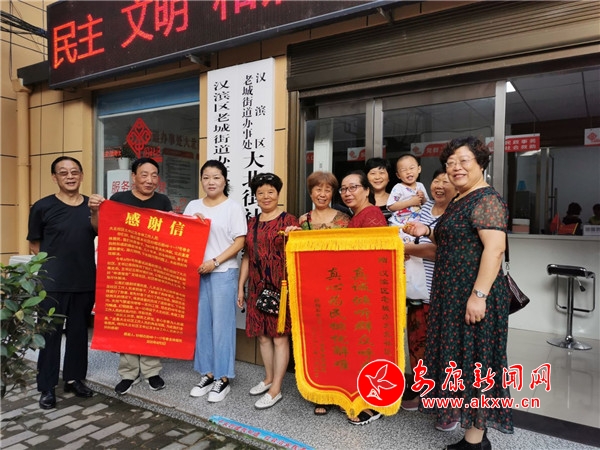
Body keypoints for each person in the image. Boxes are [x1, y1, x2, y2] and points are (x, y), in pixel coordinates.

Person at [404, 137, 513, 449]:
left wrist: (478, 296)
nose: (456, 168)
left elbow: (495, 249)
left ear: (480, 163)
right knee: (463, 361)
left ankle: (475, 442)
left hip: (472, 296)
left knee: (477, 362)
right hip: (451, 295)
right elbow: (450, 245)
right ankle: (475, 432)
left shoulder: (486, 200)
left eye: (464, 161)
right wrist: (420, 238)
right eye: (450, 163)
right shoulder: (460, 199)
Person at [89, 157, 172, 395]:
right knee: (127, 322)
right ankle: (128, 373)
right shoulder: (118, 200)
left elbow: (172, 234)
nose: (149, 180)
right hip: (125, 272)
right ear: (133, 177)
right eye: (144, 174)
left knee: (151, 322)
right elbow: (101, 230)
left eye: (154, 175)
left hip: (153, 273)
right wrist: (95, 210)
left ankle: (152, 371)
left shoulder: (163, 201)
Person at [27, 156, 97, 409]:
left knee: (78, 334)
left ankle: (74, 379)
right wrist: (52, 269)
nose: (70, 176)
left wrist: (96, 211)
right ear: (54, 177)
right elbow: (35, 245)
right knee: (50, 335)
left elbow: (101, 231)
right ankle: (47, 387)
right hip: (52, 284)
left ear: (81, 175)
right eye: (63, 172)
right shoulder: (42, 207)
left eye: (74, 172)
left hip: (85, 280)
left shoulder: (91, 206)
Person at [286, 171, 349, 416]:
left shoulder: (344, 219)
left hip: (338, 287)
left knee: (339, 341)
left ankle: (341, 391)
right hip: (313, 287)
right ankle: (321, 393)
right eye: (317, 189)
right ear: (310, 192)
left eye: (327, 190)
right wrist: (292, 236)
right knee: (317, 342)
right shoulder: (303, 220)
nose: (322, 194)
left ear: (333, 193)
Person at [184, 160, 247, 403]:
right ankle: (207, 374)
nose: (211, 182)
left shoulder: (232, 207)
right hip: (198, 273)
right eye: (206, 177)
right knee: (203, 326)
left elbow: (240, 241)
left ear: (224, 180)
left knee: (222, 327)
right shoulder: (193, 206)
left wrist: (215, 261)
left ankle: (223, 378)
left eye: (216, 177)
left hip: (223, 272)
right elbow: (183, 236)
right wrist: (193, 223)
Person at [400, 170, 458, 433]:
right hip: (416, 292)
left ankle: (450, 405)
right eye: (437, 180)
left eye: (447, 181)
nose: (440, 185)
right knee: (417, 346)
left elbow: (439, 250)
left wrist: (406, 248)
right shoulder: (423, 209)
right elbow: (414, 239)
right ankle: (422, 392)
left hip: (444, 294)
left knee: (446, 351)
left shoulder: (456, 213)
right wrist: (409, 246)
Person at [237, 173, 299, 410]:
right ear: (255, 196)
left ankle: (277, 389)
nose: (266, 196)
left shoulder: (288, 221)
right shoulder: (251, 223)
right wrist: (241, 287)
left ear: (278, 194)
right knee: (263, 336)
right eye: (261, 193)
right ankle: (269, 378)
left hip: (281, 288)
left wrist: (296, 234)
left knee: (279, 337)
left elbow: (298, 251)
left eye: (270, 192)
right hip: (256, 287)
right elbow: (247, 257)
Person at [339, 170, 388, 425]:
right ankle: (361, 396)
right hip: (357, 293)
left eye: (353, 187)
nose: (347, 193)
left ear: (367, 190)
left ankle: (374, 405)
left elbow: (372, 257)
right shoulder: (356, 216)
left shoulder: (372, 215)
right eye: (344, 189)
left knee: (370, 349)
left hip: (367, 295)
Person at [386, 154, 430, 232]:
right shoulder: (398, 187)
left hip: (418, 223)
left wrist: (423, 198)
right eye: (404, 170)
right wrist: (410, 202)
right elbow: (391, 206)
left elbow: (427, 205)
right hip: (400, 224)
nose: (408, 172)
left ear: (419, 169)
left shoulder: (420, 185)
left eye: (412, 168)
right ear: (398, 175)